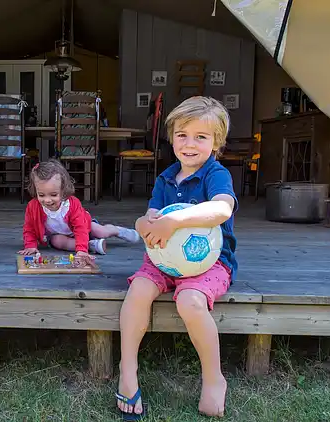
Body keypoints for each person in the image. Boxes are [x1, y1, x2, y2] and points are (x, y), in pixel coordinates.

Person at [116, 96, 238, 419]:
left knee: (190, 302)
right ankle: (127, 372)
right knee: (138, 292)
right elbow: (149, 216)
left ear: (217, 141)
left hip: (208, 263)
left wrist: (177, 221)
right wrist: (143, 225)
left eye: (201, 137)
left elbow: (222, 208)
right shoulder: (166, 177)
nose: (190, 144)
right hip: (163, 259)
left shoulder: (216, 174)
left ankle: (213, 378)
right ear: (172, 138)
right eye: (183, 135)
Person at [18, 160, 140, 263]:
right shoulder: (33, 207)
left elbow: (80, 227)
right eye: (41, 195)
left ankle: (117, 230)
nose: (47, 200)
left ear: (63, 189)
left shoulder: (71, 204)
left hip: (84, 226)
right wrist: (31, 246)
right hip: (60, 234)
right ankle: (91, 245)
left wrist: (81, 249)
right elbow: (29, 228)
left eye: (53, 194)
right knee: (57, 242)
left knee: (100, 231)